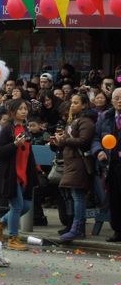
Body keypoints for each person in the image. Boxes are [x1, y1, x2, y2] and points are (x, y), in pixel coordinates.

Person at [0, 99, 38, 251]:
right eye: (20, 109)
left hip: (23, 172)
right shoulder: (6, 130)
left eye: (25, 108)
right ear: (12, 112)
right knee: (17, 205)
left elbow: (28, 152)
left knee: (26, 205)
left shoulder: (24, 129)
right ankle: (13, 238)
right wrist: (14, 145)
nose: (24, 111)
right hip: (9, 174)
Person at [52, 93, 96, 242]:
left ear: (84, 105)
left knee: (78, 196)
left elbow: (84, 140)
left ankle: (77, 228)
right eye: (72, 102)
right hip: (71, 163)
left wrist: (65, 140)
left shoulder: (86, 121)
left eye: (76, 102)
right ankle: (75, 227)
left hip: (79, 163)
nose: (72, 105)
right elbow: (68, 140)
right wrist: (58, 141)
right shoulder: (74, 121)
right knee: (73, 195)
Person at [91, 88, 121, 242]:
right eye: (116, 98)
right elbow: (96, 138)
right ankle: (117, 231)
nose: (119, 101)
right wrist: (98, 151)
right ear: (112, 100)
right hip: (111, 165)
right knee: (114, 198)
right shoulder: (105, 116)